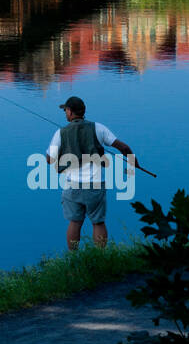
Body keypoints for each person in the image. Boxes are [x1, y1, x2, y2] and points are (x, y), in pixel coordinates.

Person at [44, 96, 136, 250]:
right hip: (95, 185)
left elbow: (49, 160)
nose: (65, 113)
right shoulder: (99, 128)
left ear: (71, 112)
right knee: (98, 222)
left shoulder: (60, 133)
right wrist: (133, 162)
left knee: (75, 222)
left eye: (65, 110)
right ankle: (100, 256)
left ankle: (73, 258)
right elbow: (124, 148)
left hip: (73, 185)